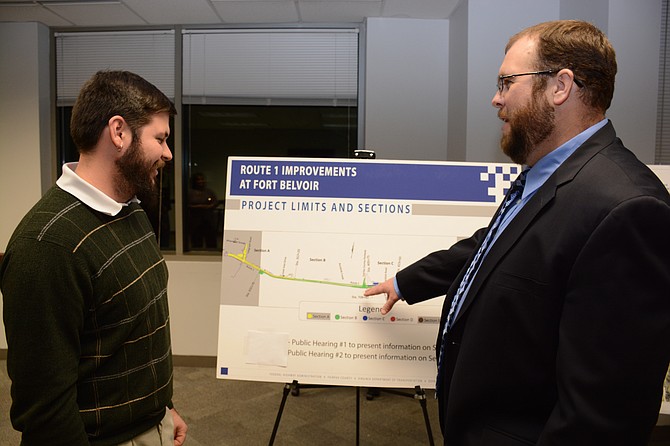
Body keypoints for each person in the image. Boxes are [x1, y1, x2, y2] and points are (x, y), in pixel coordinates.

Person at [365, 20, 670, 446]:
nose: (496, 98)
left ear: (560, 86)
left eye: (507, 82)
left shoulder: (627, 208)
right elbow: (492, 248)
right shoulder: (550, 175)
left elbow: (602, 417)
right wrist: (406, 281)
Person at [0, 70, 188, 445]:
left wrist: (163, 409)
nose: (168, 153)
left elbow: (133, 333)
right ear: (119, 132)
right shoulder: (47, 246)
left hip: (153, 425)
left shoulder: (130, 209)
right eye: (161, 138)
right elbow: (45, 410)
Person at [188, 172, 219, 249]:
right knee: (197, 242)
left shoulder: (209, 192)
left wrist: (209, 206)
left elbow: (215, 202)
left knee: (211, 242)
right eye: (198, 180)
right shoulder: (190, 193)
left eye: (202, 179)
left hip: (208, 220)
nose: (201, 181)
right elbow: (186, 205)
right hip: (195, 221)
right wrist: (200, 206)